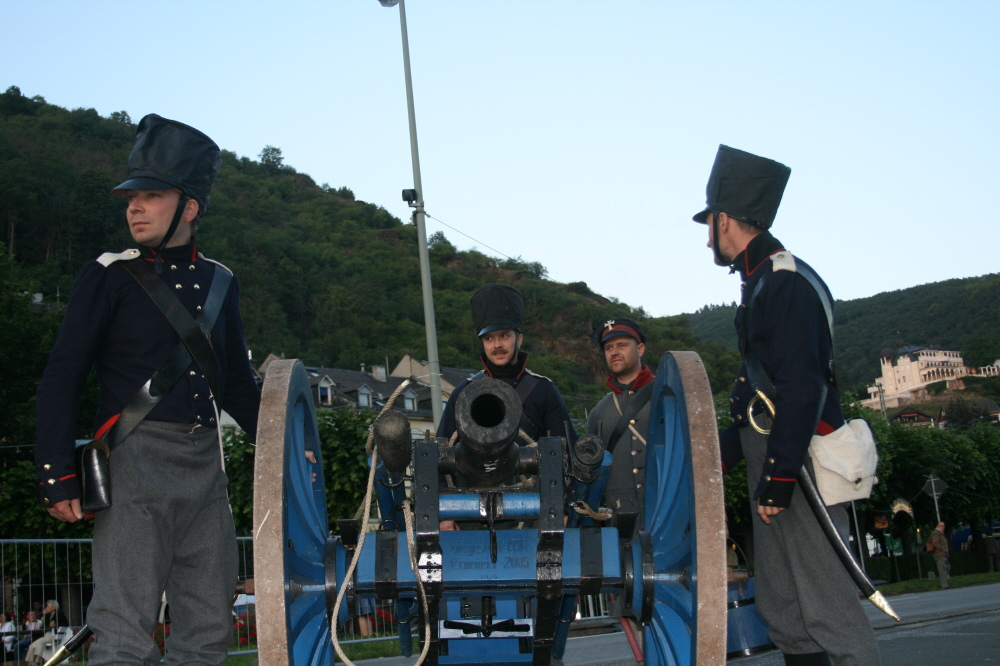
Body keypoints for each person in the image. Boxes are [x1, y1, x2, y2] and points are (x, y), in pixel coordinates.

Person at [35, 114, 261, 665]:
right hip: (133, 461)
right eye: (131, 198)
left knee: (208, 626)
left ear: (189, 208)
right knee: (124, 630)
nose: (134, 207)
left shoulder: (221, 281)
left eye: (150, 196)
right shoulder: (108, 273)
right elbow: (63, 375)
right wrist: (57, 472)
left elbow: (236, 383)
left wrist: (283, 444)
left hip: (206, 464)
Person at [693, 145, 878, 666]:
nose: (706, 237)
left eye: (709, 224)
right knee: (786, 610)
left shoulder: (785, 281)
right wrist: (713, 456)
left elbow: (801, 385)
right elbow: (761, 396)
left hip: (799, 463)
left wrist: (778, 477)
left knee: (828, 609)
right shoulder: (762, 280)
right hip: (777, 458)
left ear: (724, 219)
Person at [437, 283, 576, 526]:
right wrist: (443, 516)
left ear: (519, 338)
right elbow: (440, 454)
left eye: (504, 336)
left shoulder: (544, 390)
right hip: (470, 515)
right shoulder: (463, 393)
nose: (497, 345)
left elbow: (566, 454)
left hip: (530, 515)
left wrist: (563, 507)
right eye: (489, 338)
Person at [585, 318, 655, 532]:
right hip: (620, 522)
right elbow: (589, 474)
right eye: (608, 348)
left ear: (640, 349)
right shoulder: (598, 412)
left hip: (666, 512)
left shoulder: (667, 397)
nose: (614, 352)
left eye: (622, 345)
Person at [928, 521, 950, 589]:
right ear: (937, 526)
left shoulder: (940, 533)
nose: (942, 527)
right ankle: (944, 585)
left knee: (947, 567)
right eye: (941, 526)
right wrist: (943, 548)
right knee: (942, 569)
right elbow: (935, 542)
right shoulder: (936, 533)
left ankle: (944, 584)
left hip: (943, 554)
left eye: (943, 526)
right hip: (939, 554)